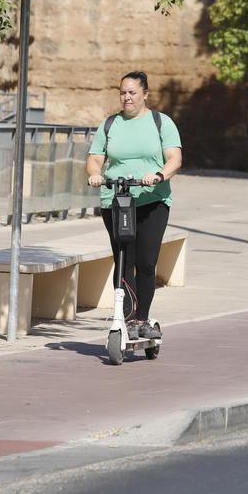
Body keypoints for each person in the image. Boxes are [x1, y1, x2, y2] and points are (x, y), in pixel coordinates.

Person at [87, 71, 183, 340]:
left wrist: (159, 175)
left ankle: (142, 318)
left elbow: (174, 158)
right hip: (117, 200)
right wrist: (95, 174)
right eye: (122, 92)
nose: (126, 97)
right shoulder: (110, 124)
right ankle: (127, 319)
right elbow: (94, 158)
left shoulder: (160, 122)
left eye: (132, 93)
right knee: (123, 260)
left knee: (145, 261)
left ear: (145, 94)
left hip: (153, 200)